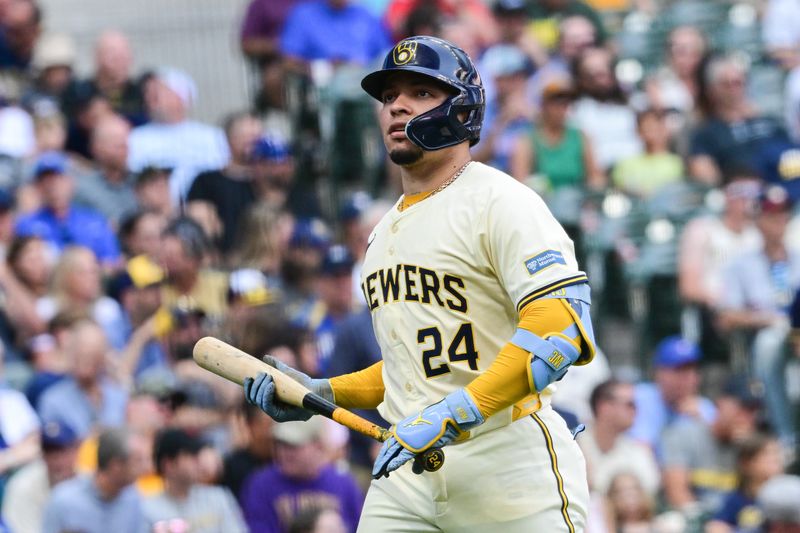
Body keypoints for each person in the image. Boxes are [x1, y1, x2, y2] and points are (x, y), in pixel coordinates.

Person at [244, 36, 597, 531]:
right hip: (407, 470)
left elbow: (558, 334)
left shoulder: (502, 201)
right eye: (389, 96)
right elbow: (408, 370)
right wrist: (322, 391)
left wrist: (455, 412)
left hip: (507, 462)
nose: (397, 106)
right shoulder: (382, 232)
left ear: (462, 107)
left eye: (421, 92)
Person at [240, 418, 364, 532]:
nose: (284, 452)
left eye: (293, 446)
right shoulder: (262, 484)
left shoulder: (344, 484)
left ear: (318, 446)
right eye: (280, 444)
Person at [14, 151, 121, 267]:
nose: (52, 186)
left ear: (71, 181)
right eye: (45, 181)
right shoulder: (26, 225)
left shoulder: (95, 220)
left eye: (58, 179)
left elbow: (112, 263)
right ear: (37, 187)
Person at [42, 428, 147, 533]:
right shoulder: (64, 500)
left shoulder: (134, 499)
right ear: (116, 465)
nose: (146, 467)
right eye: (138, 461)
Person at [143, 427, 247, 532]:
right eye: (189, 455)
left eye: (197, 455)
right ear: (168, 464)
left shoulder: (218, 498)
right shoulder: (148, 510)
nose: (198, 461)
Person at [627, 336, 716, 454]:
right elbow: (639, 449)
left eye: (692, 371)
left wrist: (701, 424)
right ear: (659, 372)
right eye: (679, 370)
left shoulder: (704, 408)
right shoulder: (638, 397)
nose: (688, 378)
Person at [579, 379, 660, 498]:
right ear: (604, 407)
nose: (635, 411)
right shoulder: (574, 444)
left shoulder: (637, 449)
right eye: (630, 404)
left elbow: (650, 488)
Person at [1, 419, 80, 533]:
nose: (57, 460)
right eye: (50, 453)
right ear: (42, 455)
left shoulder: (91, 481)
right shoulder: (22, 486)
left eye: (63, 452)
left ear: (76, 450)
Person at [705, 432, 785, 533]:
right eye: (767, 454)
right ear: (746, 463)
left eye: (777, 454)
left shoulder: (785, 498)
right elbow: (715, 526)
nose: (775, 459)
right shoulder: (736, 499)